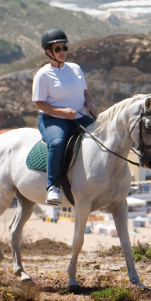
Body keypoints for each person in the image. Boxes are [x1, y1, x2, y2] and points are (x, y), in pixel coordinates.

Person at [31, 29, 97, 205]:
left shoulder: (76, 69)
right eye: (58, 49)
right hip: (52, 119)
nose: (63, 52)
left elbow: (85, 93)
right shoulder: (43, 75)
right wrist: (63, 113)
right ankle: (53, 187)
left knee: (106, 135)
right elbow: (40, 104)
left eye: (64, 47)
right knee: (57, 143)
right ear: (48, 52)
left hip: (79, 116)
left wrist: (90, 105)